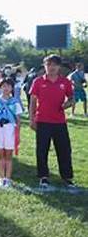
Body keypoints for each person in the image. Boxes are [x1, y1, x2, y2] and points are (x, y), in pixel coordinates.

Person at [29, 55, 76, 189]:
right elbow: (33, 101)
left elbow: (71, 98)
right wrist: (32, 119)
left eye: (54, 65)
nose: (52, 67)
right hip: (42, 120)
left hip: (60, 121)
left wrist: (68, 103)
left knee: (64, 150)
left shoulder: (65, 82)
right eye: (48, 64)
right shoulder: (38, 81)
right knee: (42, 150)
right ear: (44, 66)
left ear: (59, 66)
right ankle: (43, 177)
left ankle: (67, 177)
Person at [0, 78, 23, 188]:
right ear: (0, 87)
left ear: (12, 88)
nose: (6, 88)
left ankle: (8, 178)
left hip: (10, 129)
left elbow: (18, 119)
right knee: (0, 154)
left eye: (8, 86)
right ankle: (1, 178)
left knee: (8, 154)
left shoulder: (15, 102)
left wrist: (18, 133)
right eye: (3, 86)